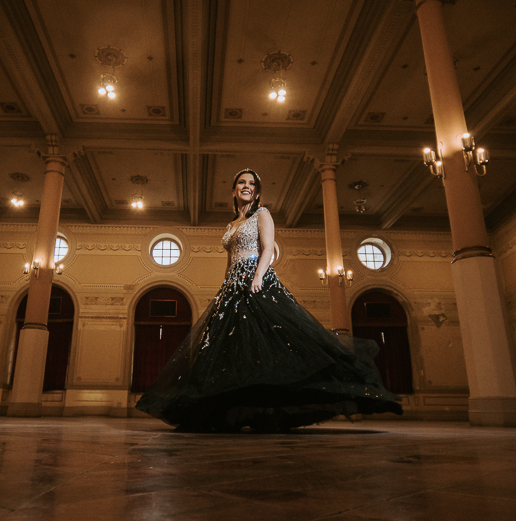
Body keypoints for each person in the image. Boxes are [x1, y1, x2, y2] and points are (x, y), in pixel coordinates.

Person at [135, 168, 403, 432]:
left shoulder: (262, 214)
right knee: (231, 348)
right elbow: (229, 262)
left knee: (267, 342)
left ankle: (270, 410)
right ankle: (231, 411)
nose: (247, 186)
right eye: (242, 182)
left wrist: (257, 277)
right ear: (234, 190)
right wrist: (225, 287)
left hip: (257, 279)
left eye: (252, 183)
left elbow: (267, 250)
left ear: (257, 191)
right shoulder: (231, 224)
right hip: (232, 285)